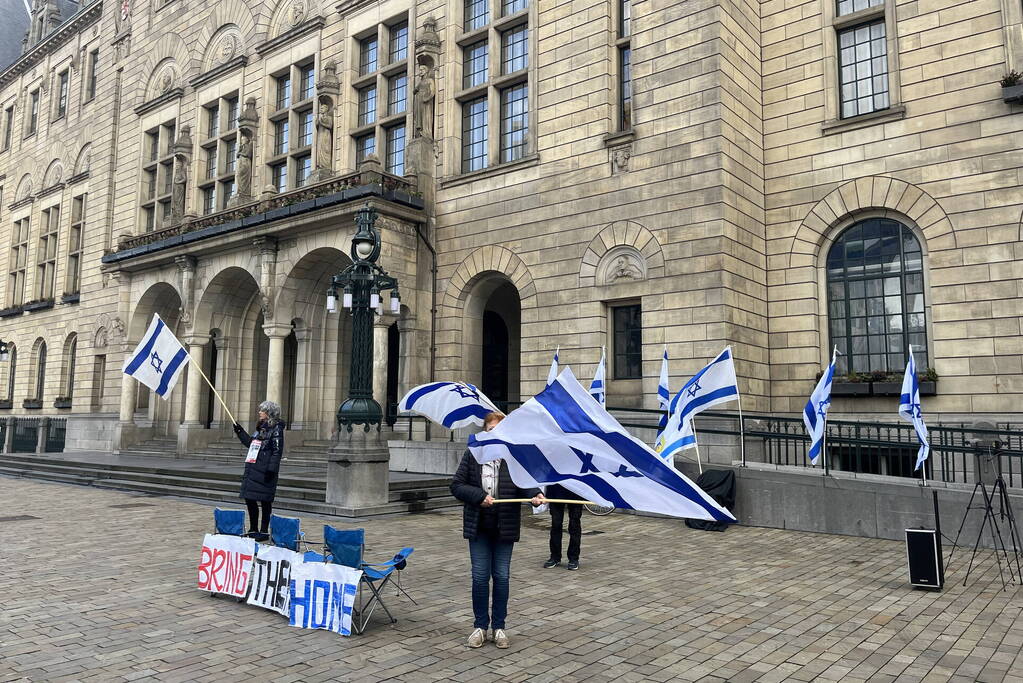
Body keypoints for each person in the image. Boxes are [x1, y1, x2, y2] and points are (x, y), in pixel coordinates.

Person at [450, 412, 545, 649]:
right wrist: (480, 497)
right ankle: (480, 626)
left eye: (500, 430)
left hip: (505, 525)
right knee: (480, 577)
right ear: (485, 431)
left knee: (501, 577)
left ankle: (499, 627)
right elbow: (457, 485)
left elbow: (524, 484)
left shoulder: (513, 457)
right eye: (491, 429)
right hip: (479, 525)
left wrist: (535, 495)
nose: (495, 434)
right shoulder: (473, 454)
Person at [232, 400, 285, 542]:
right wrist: (240, 432)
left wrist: (271, 469)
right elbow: (251, 444)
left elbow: (277, 451)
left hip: (265, 470)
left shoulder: (276, 428)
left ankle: (263, 530)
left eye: (262, 410)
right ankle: (253, 528)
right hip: (254, 468)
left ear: (269, 413)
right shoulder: (260, 428)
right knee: (249, 498)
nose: (259, 412)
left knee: (265, 501)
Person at [543, 483, 583, 570]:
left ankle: (573, 558)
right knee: (556, 524)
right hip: (555, 489)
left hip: (576, 489)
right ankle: (555, 556)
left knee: (574, 525)